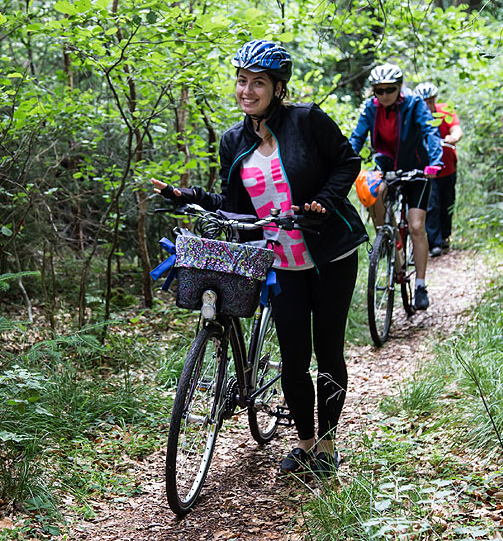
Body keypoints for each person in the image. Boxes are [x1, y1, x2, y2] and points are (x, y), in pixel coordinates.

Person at [152, 40, 368, 477]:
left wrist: (324, 201)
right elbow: (237, 206)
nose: (247, 91)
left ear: (278, 88)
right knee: (293, 356)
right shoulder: (234, 140)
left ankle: (326, 446)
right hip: (281, 263)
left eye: (258, 83)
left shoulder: (306, 122)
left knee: (328, 351)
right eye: (242, 81)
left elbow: (348, 161)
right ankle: (304, 444)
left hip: (330, 254)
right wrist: (187, 196)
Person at [349, 64, 443, 310]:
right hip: (386, 166)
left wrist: (435, 162)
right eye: (378, 91)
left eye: (389, 90)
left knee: (415, 225)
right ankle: (387, 240)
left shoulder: (414, 104)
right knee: (373, 193)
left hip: (418, 169)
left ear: (399, 89)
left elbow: (430, 131)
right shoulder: (371, 108)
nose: (384, 95)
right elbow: (357, 138)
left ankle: (421, 284)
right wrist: (344, 161)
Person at [414, 82, 464, 256]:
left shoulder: (445, 111)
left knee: (447, 201)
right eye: (424, 101)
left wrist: (453, 137)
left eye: (430, 100)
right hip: (428, 169)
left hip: (448, 166)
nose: (427, 104)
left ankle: (444, 236)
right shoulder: (417, 115)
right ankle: (433, 242)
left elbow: (456, 128)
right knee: (432, 203)